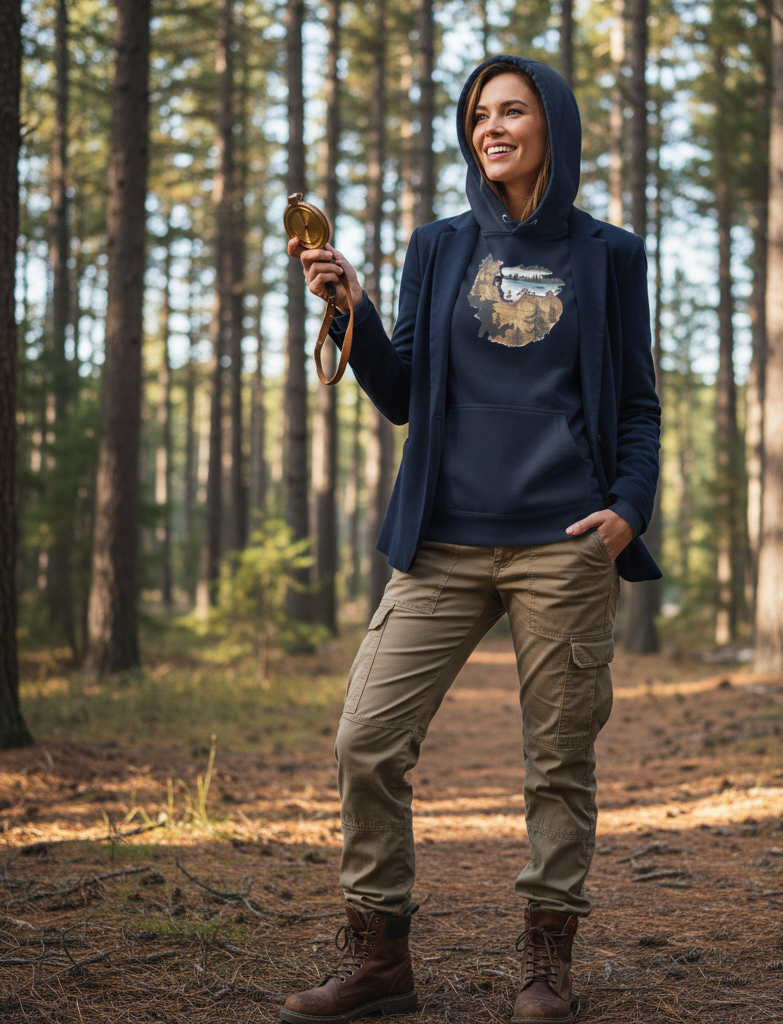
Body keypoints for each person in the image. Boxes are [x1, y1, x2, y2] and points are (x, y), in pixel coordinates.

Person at [280, 54, 660, 1024]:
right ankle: (379, 956)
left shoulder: (607, 253)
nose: (491, 127)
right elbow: (404, 393)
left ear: (552, 125)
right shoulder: (439, 246)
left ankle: (545, 957)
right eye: (479, 113)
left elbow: (636, 403)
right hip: (443, 539)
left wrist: (626, 509)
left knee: (558, 759)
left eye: (512, 111)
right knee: (366, 738)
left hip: (562, 542)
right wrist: (350, 310)